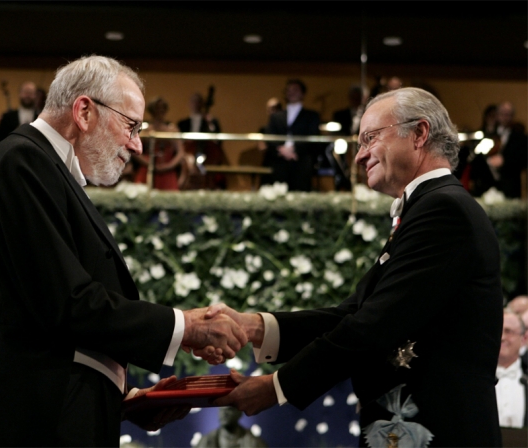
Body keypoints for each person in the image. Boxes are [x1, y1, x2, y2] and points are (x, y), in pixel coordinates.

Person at [0, 55, 247, 447]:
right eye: (131, 126)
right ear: (84, 111)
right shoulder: (21, 163)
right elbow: (67, 302)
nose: (137, 145)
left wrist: (123, 398)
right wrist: (185, 327)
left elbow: (44, 326)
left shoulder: (43, 169)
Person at [212, 87, 504, 447]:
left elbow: (372, 326)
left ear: (419, 134)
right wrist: (255, 326)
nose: (359, 155)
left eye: (369, 138)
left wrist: (275, 387)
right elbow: (354, 314)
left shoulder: (444, 210)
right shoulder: (430, 207)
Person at [263, 79, 321, 191]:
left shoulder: (311, 116)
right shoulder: (276, 116)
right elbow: (270, 136)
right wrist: (282, 150)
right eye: (288, 90)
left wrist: (294, 149)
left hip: (301, 159)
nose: (291, 92)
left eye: (295, 90)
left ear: (302, 93)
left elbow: (313, 137)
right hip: (279, 160)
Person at [133, 97, 185, 190]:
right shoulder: (145, 130)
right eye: (157, 108)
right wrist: (149, 163)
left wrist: (169, 165)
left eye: (162, 108)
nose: (160, 111)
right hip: (148, 168)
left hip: (168, 170)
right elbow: (134, 150)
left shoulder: (172, 130)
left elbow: (180, 153)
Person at [178, 92, 225, 189]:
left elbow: (218, 141)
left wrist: (209, 123)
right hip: (188, 157)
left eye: (198, 102)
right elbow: (178, 143)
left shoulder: (211, 122)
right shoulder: (182, 123)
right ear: (189, 104)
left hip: (206, 157)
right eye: (193, 102)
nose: (196, 104)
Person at [486, 101, 528, 198]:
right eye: (502, 114)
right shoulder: (489, 133)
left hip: (510, 185)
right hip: (489, 183)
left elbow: (523, 160)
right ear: (497, 115)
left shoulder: (520, 137)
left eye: (508, 114)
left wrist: (505, 161)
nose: (505, 117)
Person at [495, 309, 528, 428]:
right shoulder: (475, 378)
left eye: (508, 332)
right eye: (497, 331)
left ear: (523, 338)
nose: (502, 337)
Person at [195, 406, 266, 448]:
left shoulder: (254, 442)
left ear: (239, 413)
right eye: (221, 410)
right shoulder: (205, 442)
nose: (224, 413)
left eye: (229, 409)